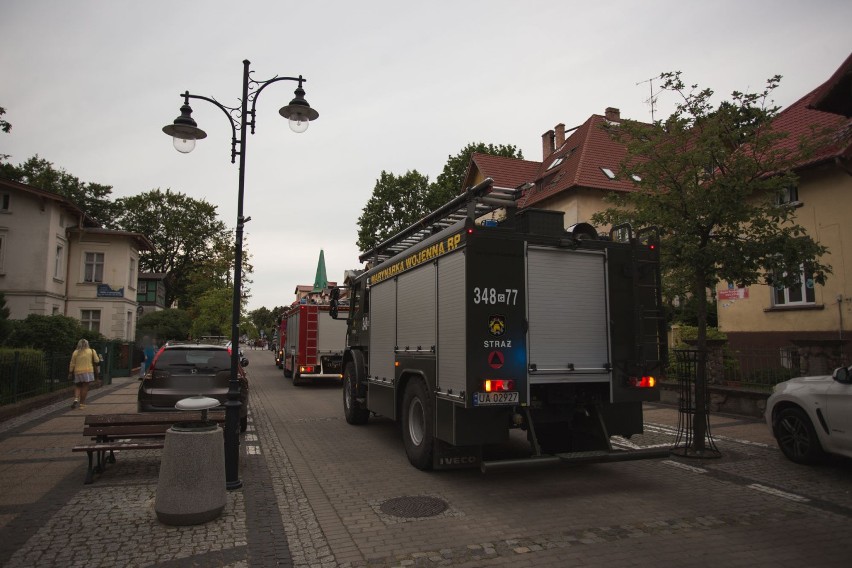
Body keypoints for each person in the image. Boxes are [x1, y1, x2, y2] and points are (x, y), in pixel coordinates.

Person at [69, 339, 99, 409]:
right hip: (88, 371)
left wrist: (70, 372)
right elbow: (96, 360)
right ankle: (82, 404)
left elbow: (72, 363)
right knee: (85, 387)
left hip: (77, 371)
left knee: (78, 386)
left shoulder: (75, 352)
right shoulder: (91, 351)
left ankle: (76, 399)